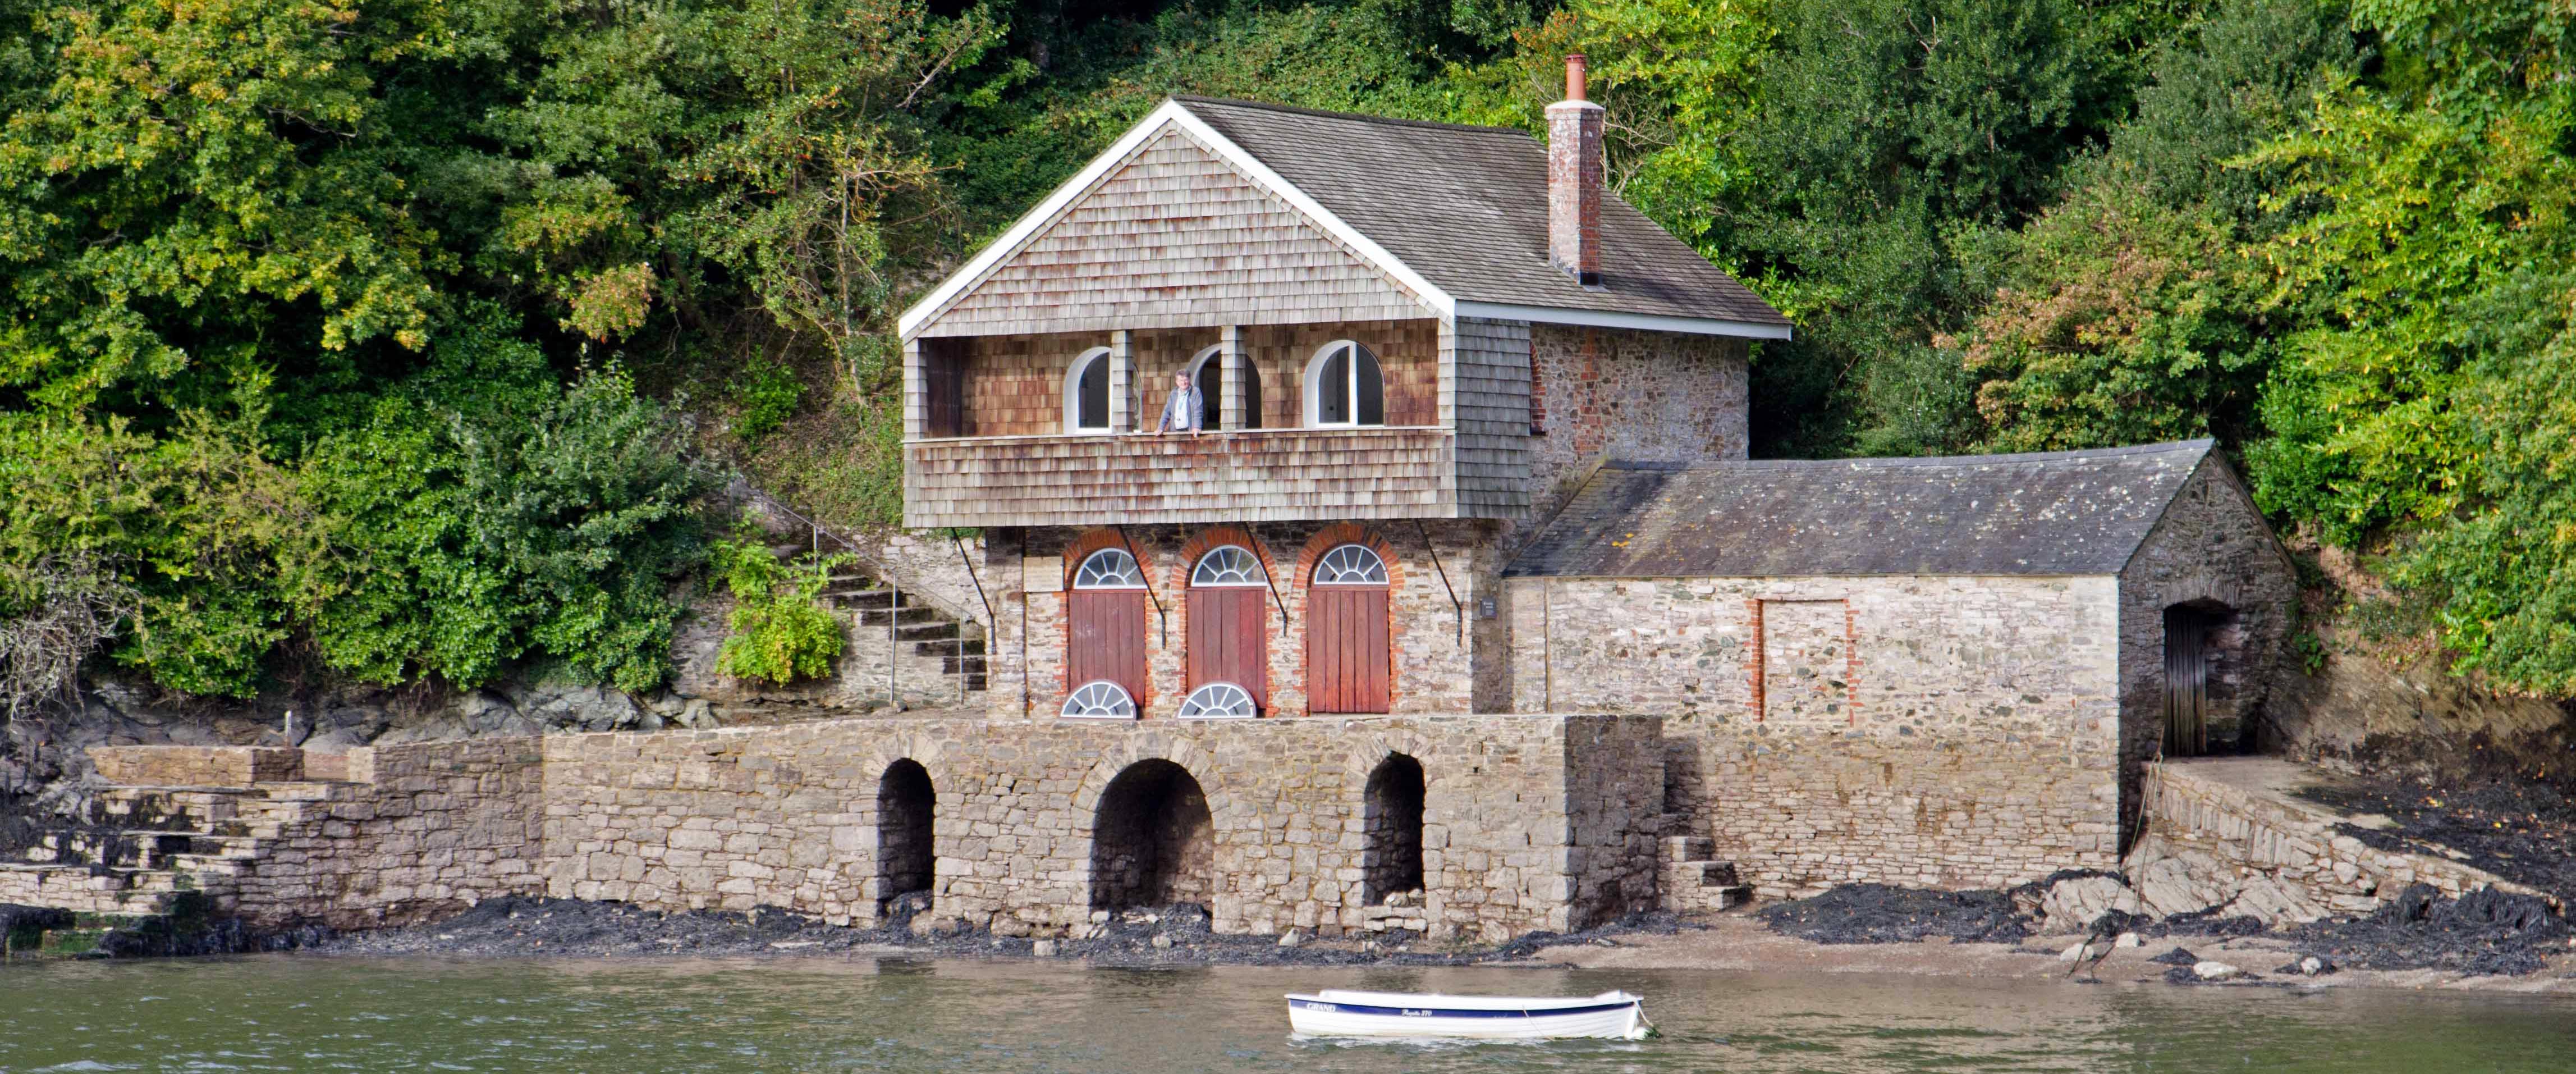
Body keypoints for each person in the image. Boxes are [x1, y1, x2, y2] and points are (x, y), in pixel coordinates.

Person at [1156, 369, 1204, 434]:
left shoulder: (1195, 392)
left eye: (1186, 380)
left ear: (1189, 380)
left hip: (1189, 431)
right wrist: (1160, 428)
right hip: (1175, 431)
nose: (1183, 383)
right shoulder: (1174, 393)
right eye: (1181, 380)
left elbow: (1198, 411)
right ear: (1177, 382)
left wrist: (1197, 427)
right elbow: (1167, 411)